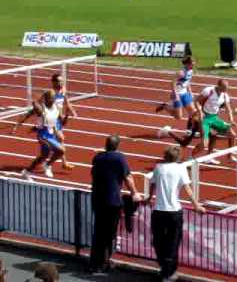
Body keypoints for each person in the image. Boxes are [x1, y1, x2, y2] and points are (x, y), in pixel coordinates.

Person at [146, 146, 205, 281]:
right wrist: (196, 205)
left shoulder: (158, 167)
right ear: (178, 157)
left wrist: (149, 198)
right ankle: (168, 272)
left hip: (159, 211)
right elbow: (187, 188)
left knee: (158, 241)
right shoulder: (180, 168)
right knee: (173, 242)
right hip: (174, 212)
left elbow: (152, 185)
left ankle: (164, 267)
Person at [89, 135, 142, 274]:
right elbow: (128, 178)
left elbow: (93, 174)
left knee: (99, 232)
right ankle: (104, 263)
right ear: (117, 146)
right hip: (112, 201)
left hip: (97, 199)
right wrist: (134, 193)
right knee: (109, 233)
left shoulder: (98, 157)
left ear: (106, 145)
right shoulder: (119, 158)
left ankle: (94, 263)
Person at [13, 90, 65, 181]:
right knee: (59, 149)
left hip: (51, 134)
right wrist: (17, 126)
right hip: (43, 135)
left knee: (45, 155)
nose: (53, 99)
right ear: (47, 98)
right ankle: (45, 166)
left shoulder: (55, 107)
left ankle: (28, 171)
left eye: (54, 97)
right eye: (51, 97)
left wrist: (57, 131)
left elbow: (55, 121)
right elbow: (34, 106)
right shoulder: (41, 108)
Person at [192, 79, 237, 164]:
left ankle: (229, 156)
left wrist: (231, 120)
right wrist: (199, 111)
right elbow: (197, 101)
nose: (225, 90)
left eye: (227, 88)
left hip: (214, 118)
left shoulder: (224, 95)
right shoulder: (208, 91)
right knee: (204, 144)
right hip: (204, 118)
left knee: (232, 135)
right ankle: (190, 158)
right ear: (218, 86)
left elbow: (228, 108)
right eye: (224, 88)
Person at [156, 56, 196, 123]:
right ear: (187, 64)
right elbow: (173, 84)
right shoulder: (180, 73)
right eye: (192, 64)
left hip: (185, 93)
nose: (193, 65)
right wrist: (176, 96)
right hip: (177, 94)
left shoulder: (191, 71)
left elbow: (188, 82)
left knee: (193, 111)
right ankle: (165, 106)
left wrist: (190, 92)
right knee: (178, 117)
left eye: (194, 64)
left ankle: (191, 128)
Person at [50, 73, 77, 170]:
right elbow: (54, 108)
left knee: (59, 140)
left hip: (58, 119)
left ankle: (63, 162)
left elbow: (67, 102)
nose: (61, 83)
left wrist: (72, 111)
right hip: (51, 119)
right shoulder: (51, 94)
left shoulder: (63, 90)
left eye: (62, 81)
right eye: (59, 81)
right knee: (60, 139)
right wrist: (62, 116)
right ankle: (55, 163)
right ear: (53, 82)